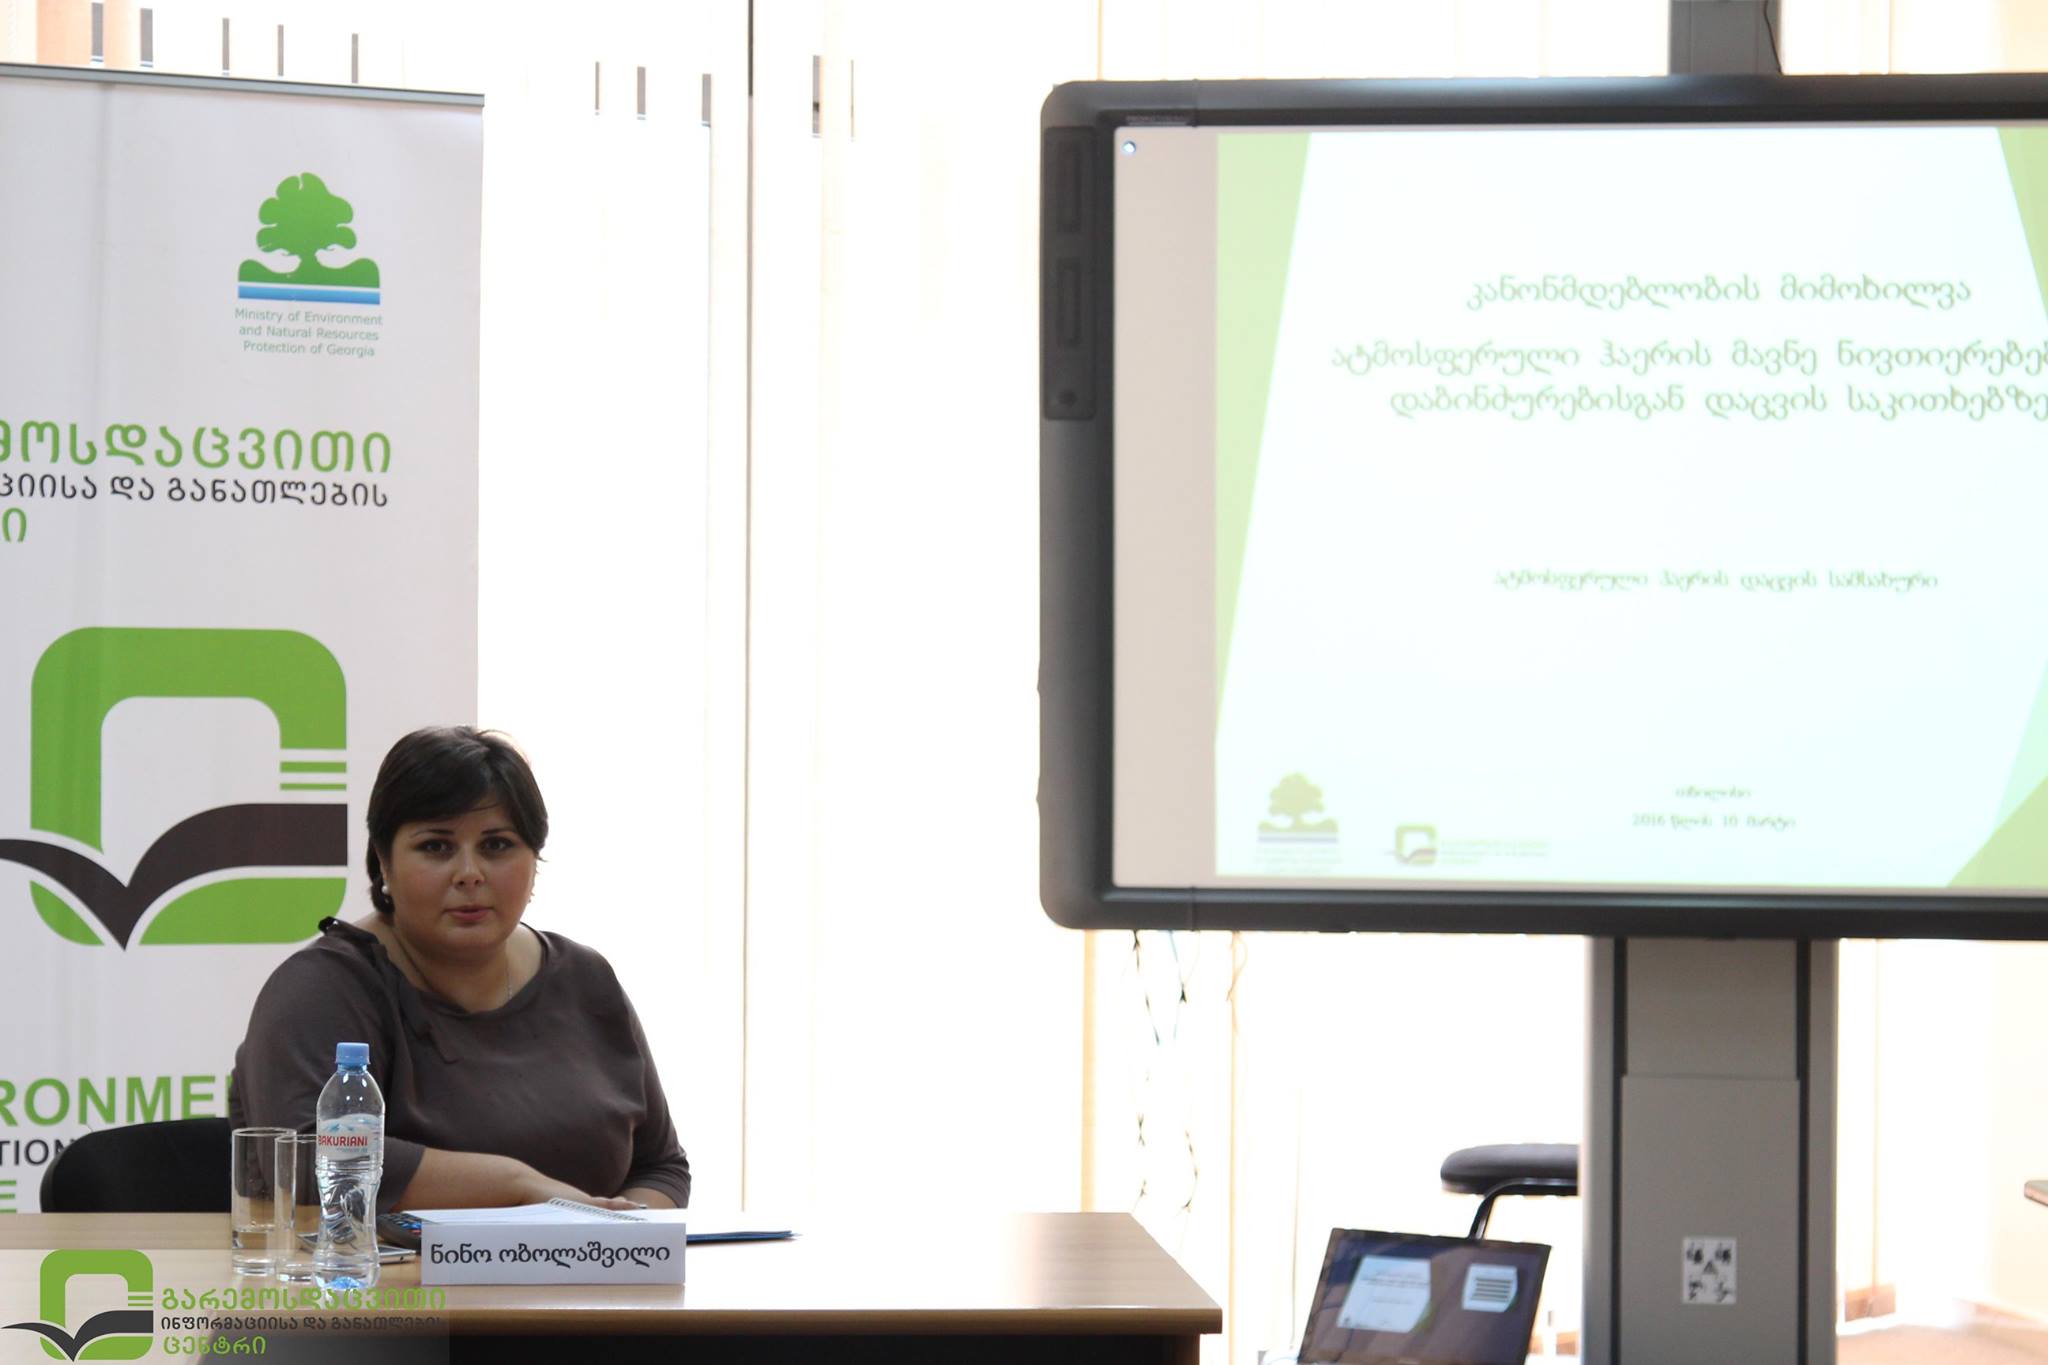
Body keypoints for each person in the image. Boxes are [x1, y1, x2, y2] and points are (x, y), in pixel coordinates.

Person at [229, 726, 690, 1211]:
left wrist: (617, 1237)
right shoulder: (321, 988)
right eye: (436, 847)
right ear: (383, 862)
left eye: (497, 845)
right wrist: (519, 1187)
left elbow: (660, 1166)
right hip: (387, 1265)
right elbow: (307, 1161)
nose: (470, 873)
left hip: (591, 1262)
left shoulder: (586, 978)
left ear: (535, 859)